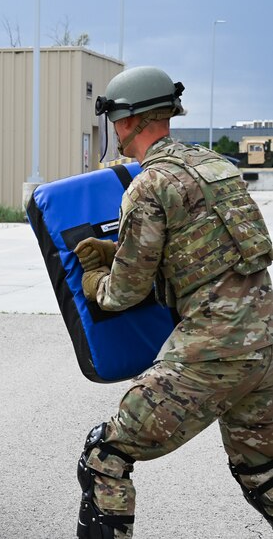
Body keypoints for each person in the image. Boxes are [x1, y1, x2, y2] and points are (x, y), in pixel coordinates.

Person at [75, 65, 273, 538]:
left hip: (214, 350)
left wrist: (96, 279)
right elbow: (209, 252)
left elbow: (125, 292)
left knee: (105, 456)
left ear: (127, 121)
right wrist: (124, 251)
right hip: (266, 344)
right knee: (262, 473)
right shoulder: (215, 167)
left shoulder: (147, 185)